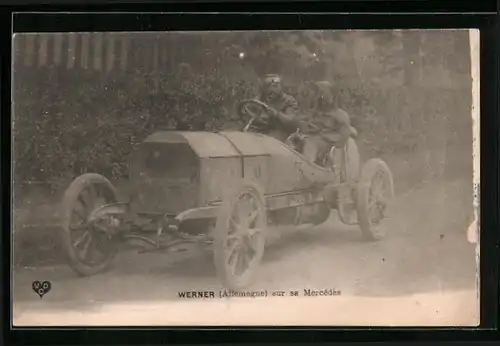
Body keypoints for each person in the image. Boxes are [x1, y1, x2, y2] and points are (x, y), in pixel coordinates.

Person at [256, 74, 300, 142]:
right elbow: (251, 109)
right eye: (267, 86)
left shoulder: (288, 100)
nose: (271, 89)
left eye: (275, 86)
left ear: (280, 87)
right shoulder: (261, 98)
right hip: (260, 130)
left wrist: (277, 114)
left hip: (280, 132)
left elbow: (291, 121)